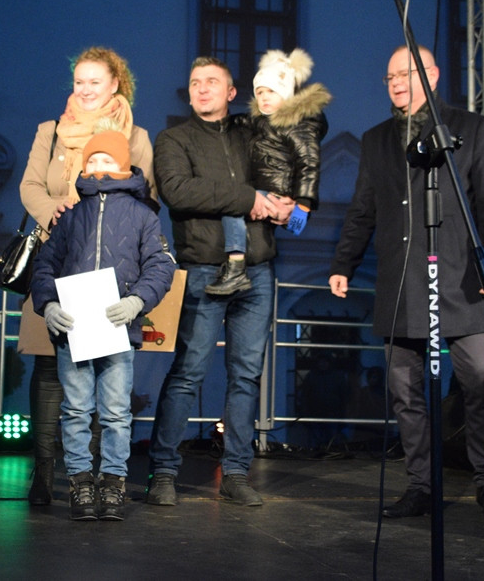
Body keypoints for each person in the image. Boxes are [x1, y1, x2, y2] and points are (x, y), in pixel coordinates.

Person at [328, 44, 484, 526]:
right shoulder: (376, 140)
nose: (394, 82)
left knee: (477, 384)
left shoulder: (470, 129)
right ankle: (421, 486)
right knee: (407, 392)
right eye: (389, 75)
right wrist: (344, 263)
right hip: (402, 284)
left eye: (405, 73)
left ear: (431, 75)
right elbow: (362, 210)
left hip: (460, 278)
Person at [146, 57, 294, 507]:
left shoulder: (254, 134)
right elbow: (179, 191)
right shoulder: (173, 139)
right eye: (195, 83)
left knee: (246, 378)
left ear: (232, 93)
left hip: (258, 268)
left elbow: (283, 174)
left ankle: (235, 472)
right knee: (188, 373)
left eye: (213, 82)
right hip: (204, 270)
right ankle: (164, 472)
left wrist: (289, 204)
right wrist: (251, 198)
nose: (202, 89)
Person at [18, 47, 158, 506]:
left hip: (113, 272)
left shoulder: (135, 136)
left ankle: (98, 480)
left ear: (115, 83)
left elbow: (146, 197)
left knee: (107, 384)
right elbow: (30, 186)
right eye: (79, 81)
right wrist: (56, 214)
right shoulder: (50, 131)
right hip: (60, 257)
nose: (85, 89)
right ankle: (44, 474)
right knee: (48, 367)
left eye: (95, 81)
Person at [30, 130, 175, 521]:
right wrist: (48, 305)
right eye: (92, 160)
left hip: (116, 330)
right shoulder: (71, 215)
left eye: (106, 160)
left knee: (115, 413)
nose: (97, 167)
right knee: (75, 410)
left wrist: (136, 301)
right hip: (73, 330)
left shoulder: (143, 216)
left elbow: (163, 265)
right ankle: (80, 484)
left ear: (124, 165)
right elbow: (44, 265)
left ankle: (113, 485)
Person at [206, 48, 331, 296]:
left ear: (286, 94)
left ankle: (236, 267)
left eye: (271, 91)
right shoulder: (260, 120)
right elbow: (240, 121)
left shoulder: (299, 126)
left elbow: (309, 163)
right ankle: (238, 265)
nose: (264, 97)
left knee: (234, 206)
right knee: (241, 211)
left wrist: (302, 208)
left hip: (278, 190)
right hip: (263, 187)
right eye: (260, 92)